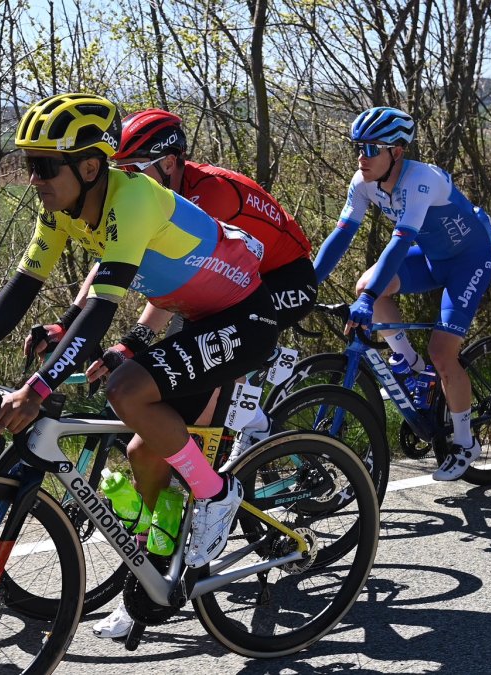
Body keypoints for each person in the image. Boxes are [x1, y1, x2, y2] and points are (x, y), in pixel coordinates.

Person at [0, 93, 278, 576]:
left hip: (244, 317)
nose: (33, 179)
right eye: (30, 164)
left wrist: (37, 388)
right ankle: (158, 575)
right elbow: (24, 285)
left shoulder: (131, 198)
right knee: (141, 452)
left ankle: (217, 493)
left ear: (90, 168)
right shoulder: (62, 209)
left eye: (45, 167)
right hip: (197, 316)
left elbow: (100, 310)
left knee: (126, 389)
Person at [72, 107, 316, 639]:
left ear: (173, 162)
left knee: (206, 411)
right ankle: (156, 570)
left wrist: (136, 341)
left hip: (281, 280)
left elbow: (154, 267)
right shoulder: (162, 193)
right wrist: (131, 341)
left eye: (138, 169)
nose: (127, 181)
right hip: (222, 289)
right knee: (154, 438)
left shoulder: (210, 196)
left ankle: (235, 436)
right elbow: (166, 284)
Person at [314, 106, 491, 481]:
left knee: (443, 352)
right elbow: (341, 236)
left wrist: (366, 303)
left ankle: (465, 443)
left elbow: (400, 243)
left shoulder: (421, 179)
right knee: (368, 284)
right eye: (358, 147)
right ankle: (412, 367)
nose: (361, 157)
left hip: (469, 258)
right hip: (432, 256)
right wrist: (307, 283)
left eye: (370, 148)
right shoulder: (363, 181)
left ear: (396, 151)